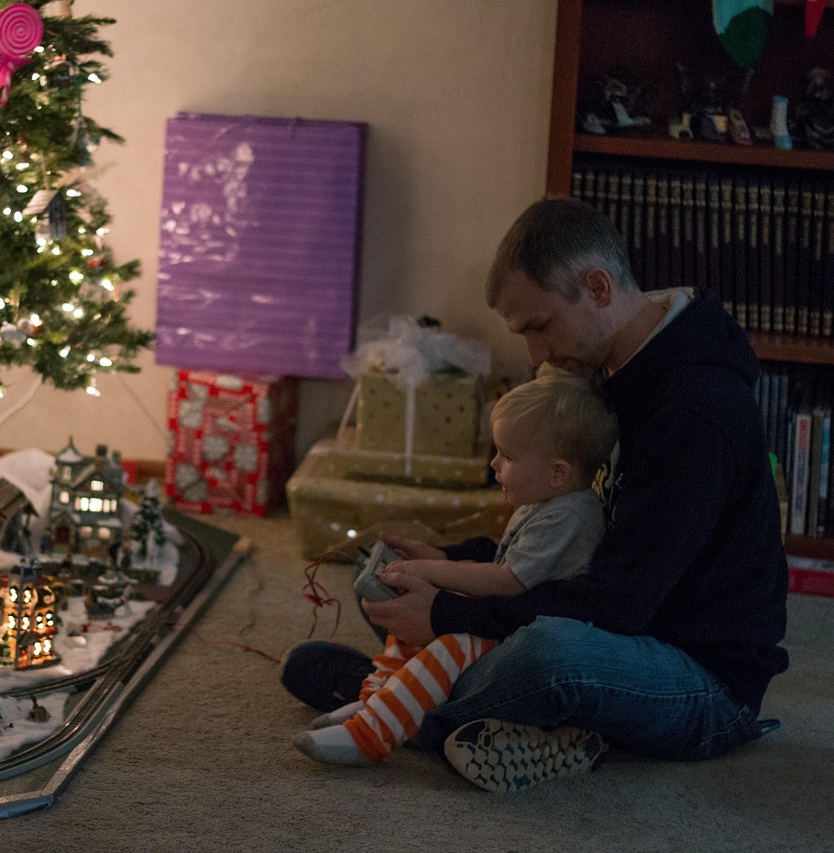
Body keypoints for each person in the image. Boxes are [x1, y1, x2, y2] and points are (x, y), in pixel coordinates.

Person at [281, 197, 790, 792]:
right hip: (613, 618)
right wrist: (451, 562)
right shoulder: (607, 371)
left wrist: (447, 611)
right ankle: (435, 695)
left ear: (598, 287)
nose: (536, 355)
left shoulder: (694, 411)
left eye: (541, 327)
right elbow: (561, 539)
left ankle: (403, 706)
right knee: (391, 574)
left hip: (694, 676)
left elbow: (621, 603)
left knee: (553, 653)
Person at [294, 371, 616, 767]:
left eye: (508, 456)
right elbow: (501, 560)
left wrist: (429, 571)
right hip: (507, 615)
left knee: (449, 642)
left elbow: (508, 581)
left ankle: (370, 734)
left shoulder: (569, 514)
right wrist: (440, 562)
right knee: (412, 615)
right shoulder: (545, 499)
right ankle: (375, 700)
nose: (494, 464)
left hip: (523, 633)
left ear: (558, 472)